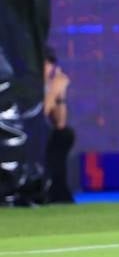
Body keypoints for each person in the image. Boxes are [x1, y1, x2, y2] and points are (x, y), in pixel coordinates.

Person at [43, 47, 75, 203]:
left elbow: (60, 124)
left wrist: (60, 96)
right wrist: (53, 92)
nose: (48, 69)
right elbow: (34, 119)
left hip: (39, 139)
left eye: (50, 64)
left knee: (64, 134)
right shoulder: (21, 85)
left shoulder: (46, 89)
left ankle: (58, 193)